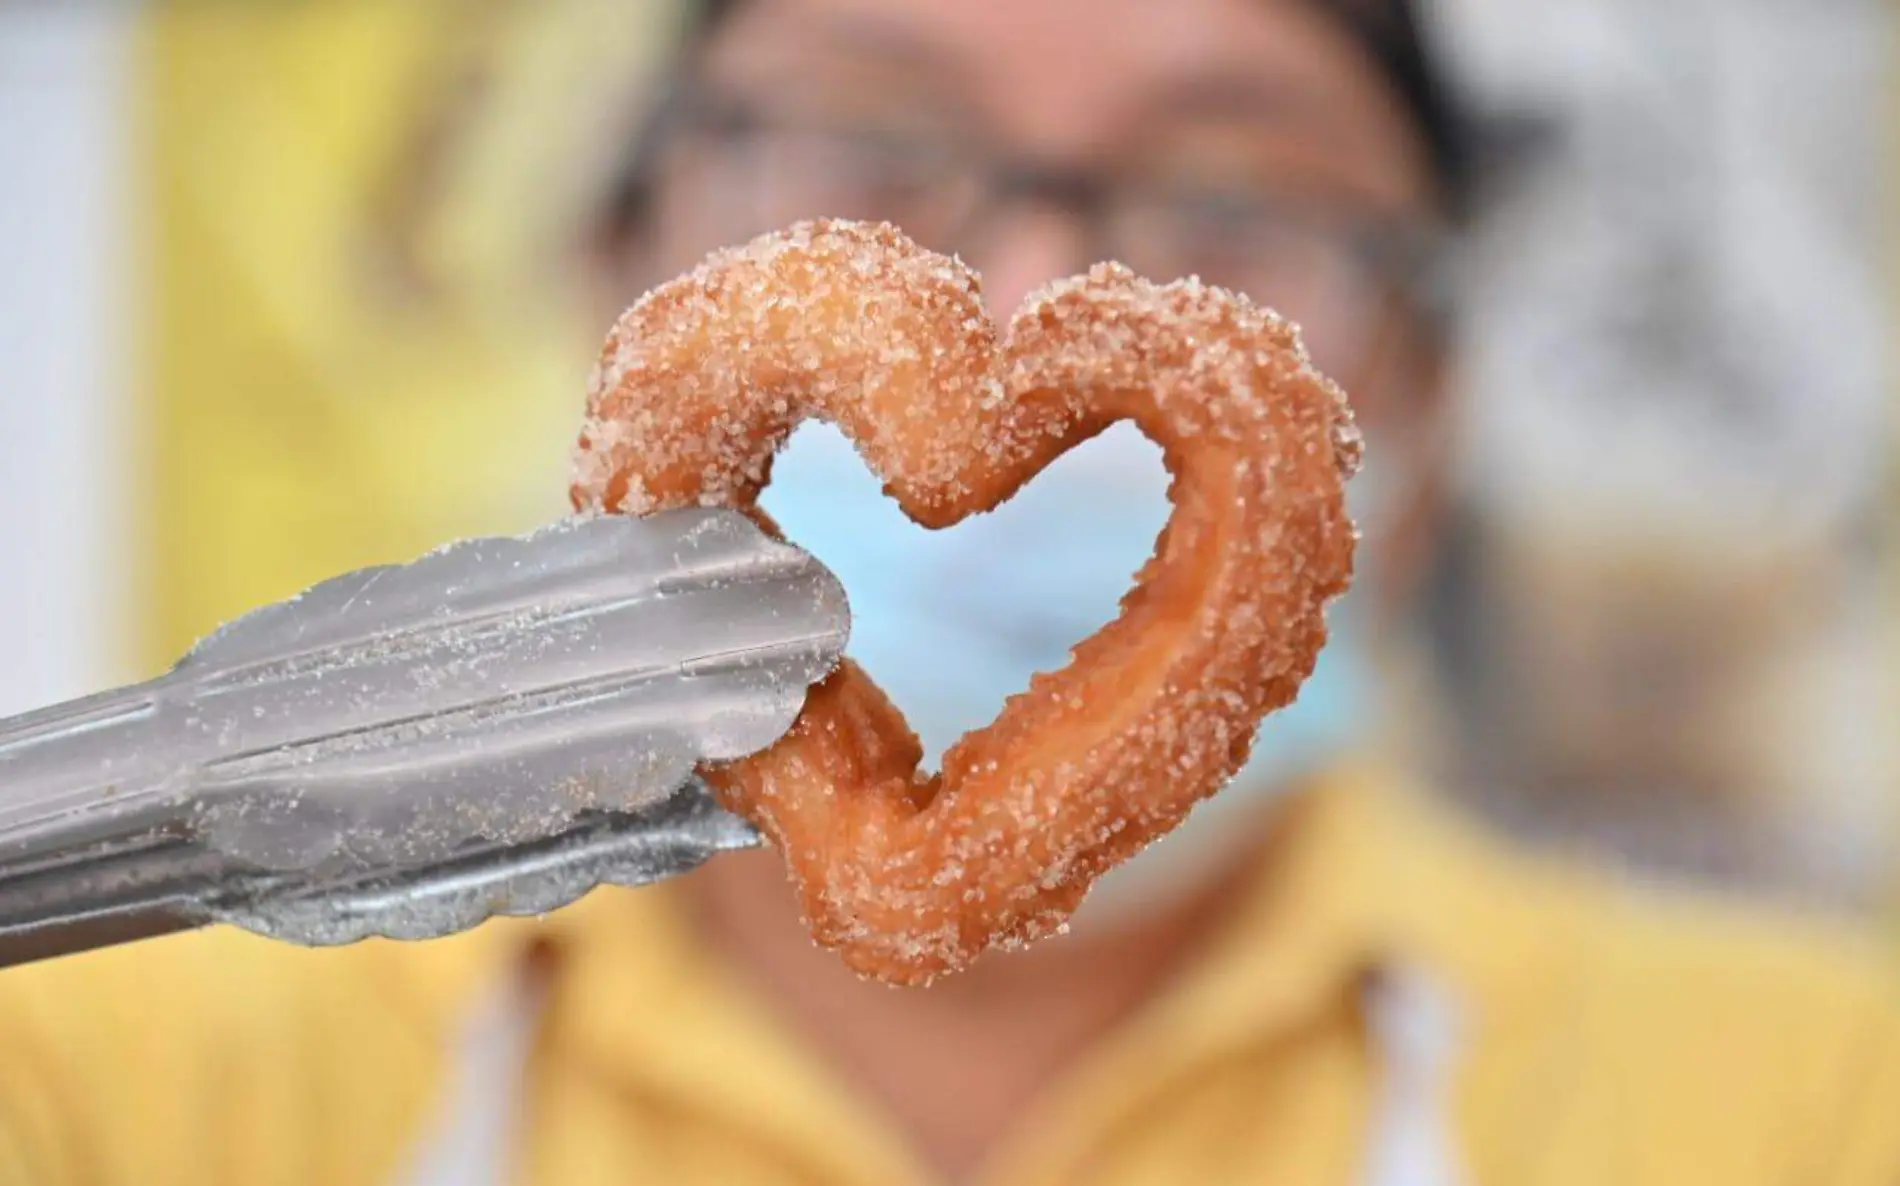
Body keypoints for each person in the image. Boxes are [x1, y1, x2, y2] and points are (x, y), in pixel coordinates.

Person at [3, 1, 1897, 1183]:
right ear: (612, 267)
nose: (1022, 275)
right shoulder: (115, 1088)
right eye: (868, 149)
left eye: (1236, 200)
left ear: (1426, 406)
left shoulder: (1818, 1102)